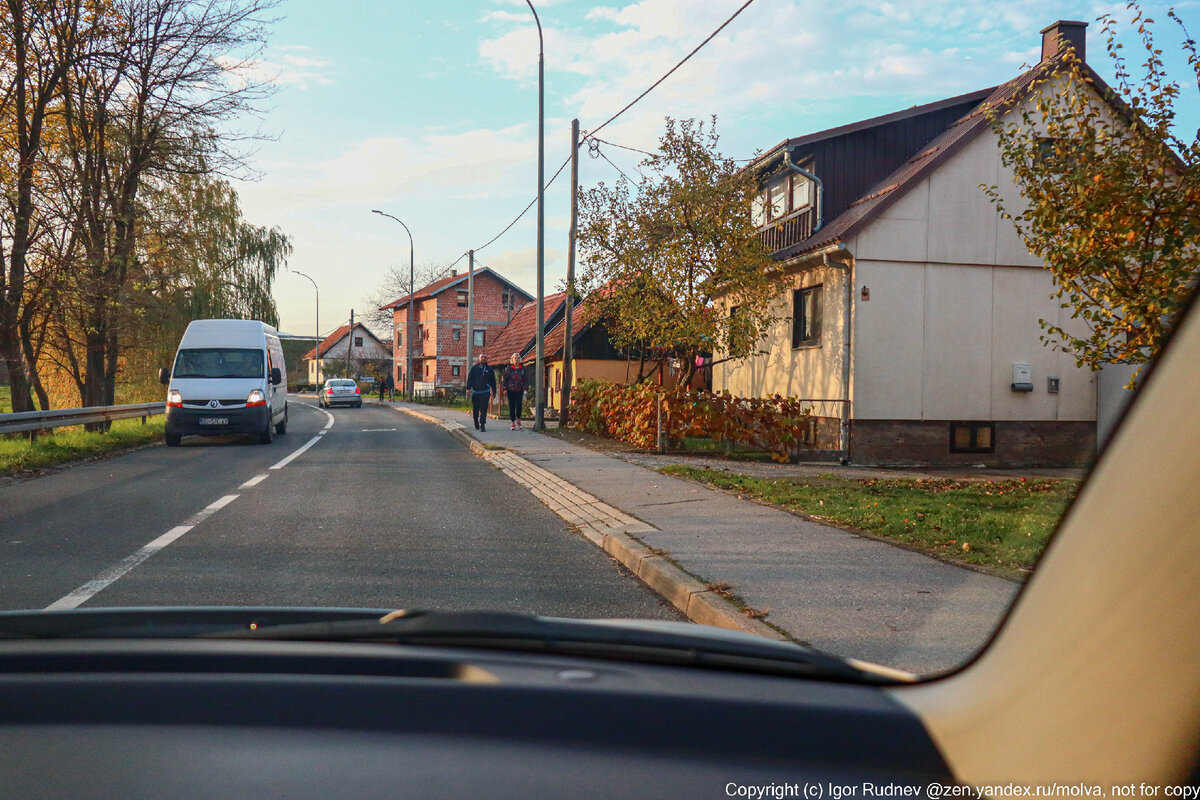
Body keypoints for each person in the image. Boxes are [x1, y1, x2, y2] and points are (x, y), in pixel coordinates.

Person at [464, 354, 496, 432]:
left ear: (487, 359)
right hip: (476, 392)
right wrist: (468, 388)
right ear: (479, 359)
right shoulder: (474, 369)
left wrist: (494, 391)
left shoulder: (489, 369)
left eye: (485, 357)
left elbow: (493, 381)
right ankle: (475, 420)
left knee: (483, 408)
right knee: (476, 408)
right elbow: (470, 379)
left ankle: (482, 424)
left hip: (485, 391)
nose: (483, 358)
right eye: (482, 357)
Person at [502, 353, 527, 431]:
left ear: (520, 360)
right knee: (512, 406)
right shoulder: (509, 369)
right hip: (511, 390)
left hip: (519, 389)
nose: (516, 360)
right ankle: (513, 422)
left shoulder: (522, 369)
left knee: (519, 405)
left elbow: (525, 379)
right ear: (512, 360)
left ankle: (518, 419)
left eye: (518, 358)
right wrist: (505, 388)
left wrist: (526, 389)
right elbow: (505, 379)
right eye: (515, 358)